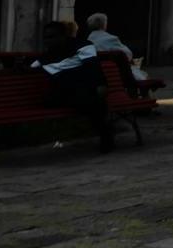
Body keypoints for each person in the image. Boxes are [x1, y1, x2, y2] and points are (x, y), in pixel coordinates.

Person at [34, 19, 114, 151]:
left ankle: (105, 134)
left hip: (82, 89)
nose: (48, 41)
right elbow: (30, 68)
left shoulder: (82, 46)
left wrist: (100, 84)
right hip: (64, 93)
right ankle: (106, 132)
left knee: (90, 99)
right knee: (88, 101)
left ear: (63, 36)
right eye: (46, 38)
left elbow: (93, 67)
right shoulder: (46, 57)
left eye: (52, 37)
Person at [84, 13, 151, 85]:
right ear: (104, 25)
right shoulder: (111, 39)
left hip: (96, 77)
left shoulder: (87, 42)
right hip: (116, 75)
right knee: (142, 75)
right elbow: (128, 54)